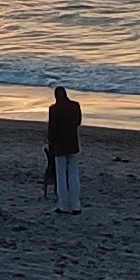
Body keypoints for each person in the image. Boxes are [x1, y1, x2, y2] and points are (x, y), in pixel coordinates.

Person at [46, 83, 83, 213]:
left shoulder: (54, 109)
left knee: (61, 174)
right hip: (72, 143)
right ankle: (76, 205)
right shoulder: (75, 106)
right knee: (74, 174)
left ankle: (63, 205)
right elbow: (78, 122)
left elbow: (52, 130)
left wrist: (50, 140)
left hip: (59, 146)